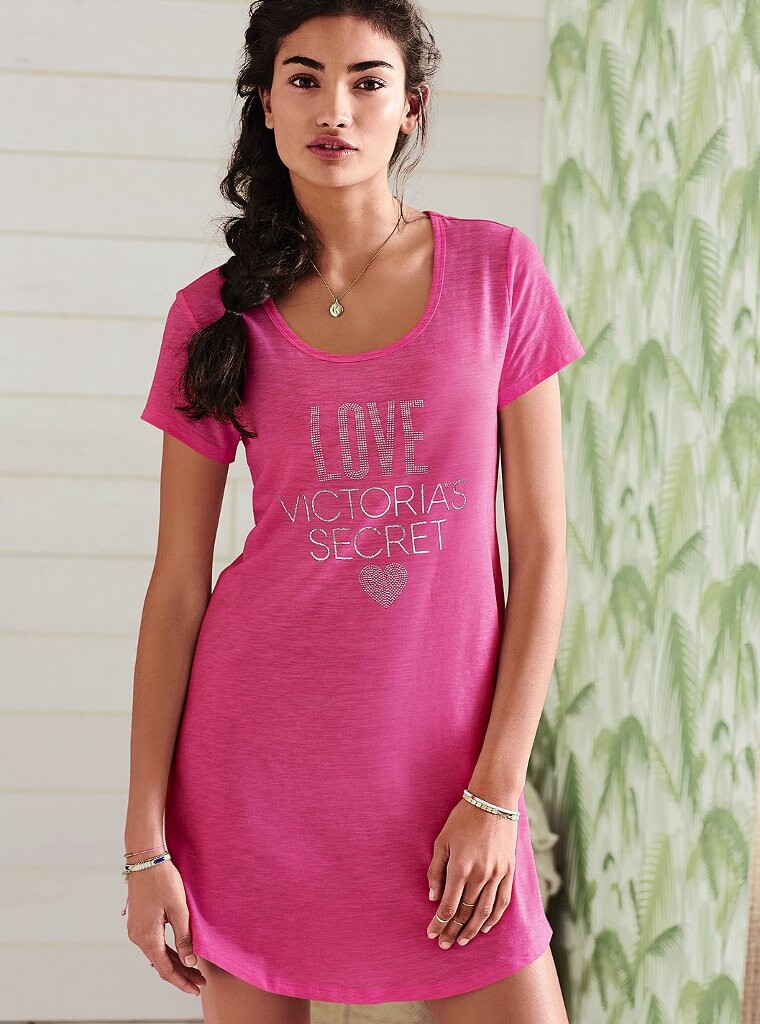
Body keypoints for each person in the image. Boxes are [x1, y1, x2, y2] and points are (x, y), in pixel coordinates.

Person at [123, 2, 585, 1021]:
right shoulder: (211, 315)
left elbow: (545, 550)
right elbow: (177, 590)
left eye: (368, 81)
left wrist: (496, 791)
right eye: (303, 78)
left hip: (448, 777)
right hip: (256, 777)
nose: (335, 107)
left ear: (410, 107)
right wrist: (144, 844)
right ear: (265, 103)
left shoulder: (497, 272)